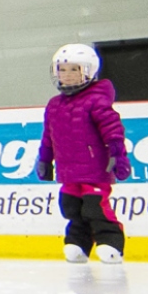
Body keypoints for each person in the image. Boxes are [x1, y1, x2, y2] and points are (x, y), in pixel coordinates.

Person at [35, 43, 130, 264]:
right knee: (71, 206)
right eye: (62, 69)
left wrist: (118, 155)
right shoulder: (54, 104)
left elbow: (113, 130)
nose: (66, 75)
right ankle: (78, 243)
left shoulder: (96, 100)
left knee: (95, 206)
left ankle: (111, 243)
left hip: (95, 169)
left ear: (88, 71)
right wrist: (45, 159)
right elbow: (48, 136)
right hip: (69, 170)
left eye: (74, 70)